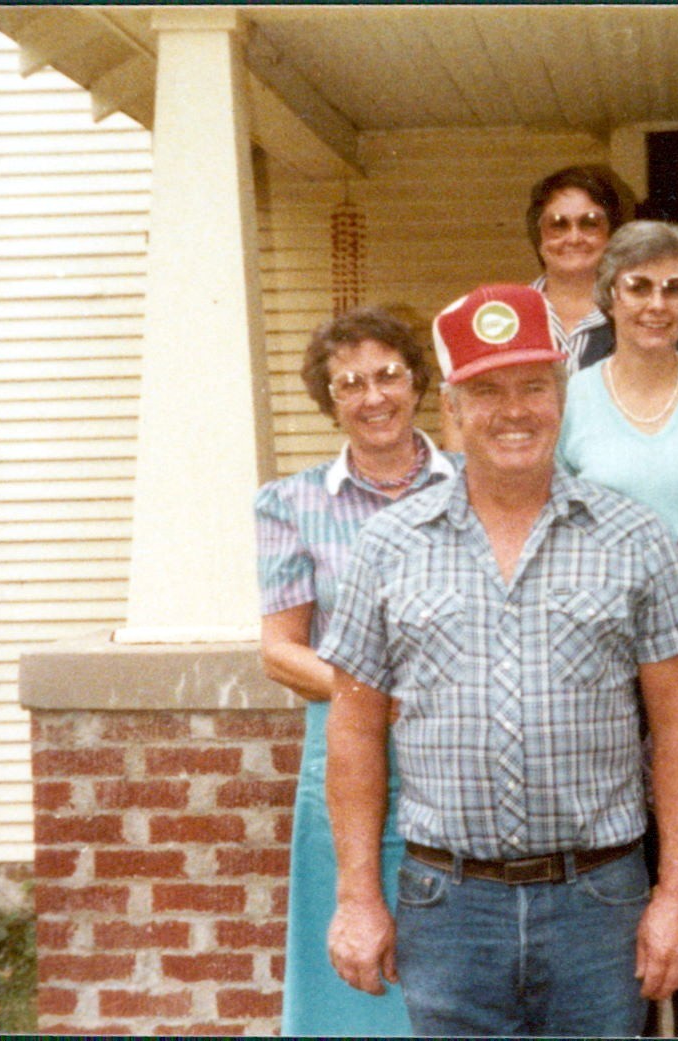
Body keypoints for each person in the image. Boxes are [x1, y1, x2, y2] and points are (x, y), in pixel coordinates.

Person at [317, 283, 678, 1037]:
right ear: (452, 408)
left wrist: (677, 892)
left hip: (599, 902)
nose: (514, 411)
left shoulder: (632, 537)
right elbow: (355, 729)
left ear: (562, 399)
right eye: (487, 391)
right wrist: (358, 896)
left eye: (534, 386)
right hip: (448, 907)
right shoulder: (388, 546)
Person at [254, 306, 455, 1037]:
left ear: (417, 383)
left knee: (460, 955)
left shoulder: (472, 484)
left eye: (388, 375)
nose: (374, 397)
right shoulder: (290, 502)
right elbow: (281, 649)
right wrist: (378, 700)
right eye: (350, 384)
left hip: (458, 748)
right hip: (345, 752)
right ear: (329, 400)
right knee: (354, 962)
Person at [557, 220, 678, 538]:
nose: (657, 305)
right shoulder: (572, 397)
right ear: (609, 295)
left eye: (674, 289)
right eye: (638, 287)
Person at [526, 165, 622, 375]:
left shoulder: (643, 314)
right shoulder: (509, 314)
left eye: (590, 223)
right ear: (538, 235)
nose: (574, 238)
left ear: (611, 234)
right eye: (558, 225)